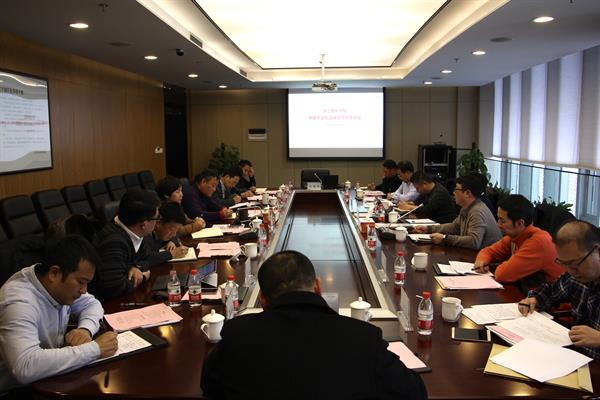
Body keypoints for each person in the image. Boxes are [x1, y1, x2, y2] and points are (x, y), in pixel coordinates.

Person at [201, 250, 427, 400]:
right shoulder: (363, 338)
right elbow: (414, 392)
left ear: (262, 299)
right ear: (318, 287)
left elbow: (210, 385)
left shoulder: (237, 334)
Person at [0, 235, 118, 394]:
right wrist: (95, 349)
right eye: (81, 282)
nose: (84, 291)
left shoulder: (53, 285)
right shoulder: (19, 302)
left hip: (48, 378)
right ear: (54, 273)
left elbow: (92, 304)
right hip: (15, 390)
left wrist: (85, 330)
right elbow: (25, 367)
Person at [518, 220, 600, 360]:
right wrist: (535, 298)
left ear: (598, 251)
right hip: (574, 357)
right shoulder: (576, 276)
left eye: (575, 263)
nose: (571, 271)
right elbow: (551, 290)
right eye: (564, 263)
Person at [474, 194, 565, 288]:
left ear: (520, 223)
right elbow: (488, 251)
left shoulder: (538, 242)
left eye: (502, 221)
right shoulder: (515, 236)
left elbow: (502, 274)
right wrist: (482, 261)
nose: (498, 225)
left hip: (552, 295)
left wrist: (503, 264)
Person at [92, 188, 161, 300]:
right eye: (157, 218)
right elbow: (114, 288)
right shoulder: (113, 243)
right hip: (110, 303)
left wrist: (135, 267)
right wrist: (143, 277)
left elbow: (146, 257)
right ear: (144, 224)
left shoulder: (134, 230)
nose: (158, 221)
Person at [414, 173, 502, 250]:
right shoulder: (467, 207)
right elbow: (455, 227)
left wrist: (445, 238)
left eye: (456, 189)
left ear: (467, 193)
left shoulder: (477, 211)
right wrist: (428, 229)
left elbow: (474, 241)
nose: (453, 193)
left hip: (487, 260)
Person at [143, 202, 189, 266]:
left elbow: (176, 236)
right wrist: (172, 254)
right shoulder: (145, 234)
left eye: (176, 230)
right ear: (158, 223)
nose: (174, 234)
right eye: (171, 229)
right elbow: (145, 257)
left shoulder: (163, 232)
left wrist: (172, 241)